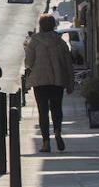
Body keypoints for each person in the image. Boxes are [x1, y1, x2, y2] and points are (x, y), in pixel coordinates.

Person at [24, 13, 74, 152]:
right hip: (57, 80)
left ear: (41, 25)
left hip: (40, 81)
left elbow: (29, 61)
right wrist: (70, 82)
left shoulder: (34, 41)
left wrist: (30, 69)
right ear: (53, 25)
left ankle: (46, 143)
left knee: (43, 111)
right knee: (57, 108)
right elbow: (68, 63)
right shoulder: (60, 42)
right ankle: (57, 131)